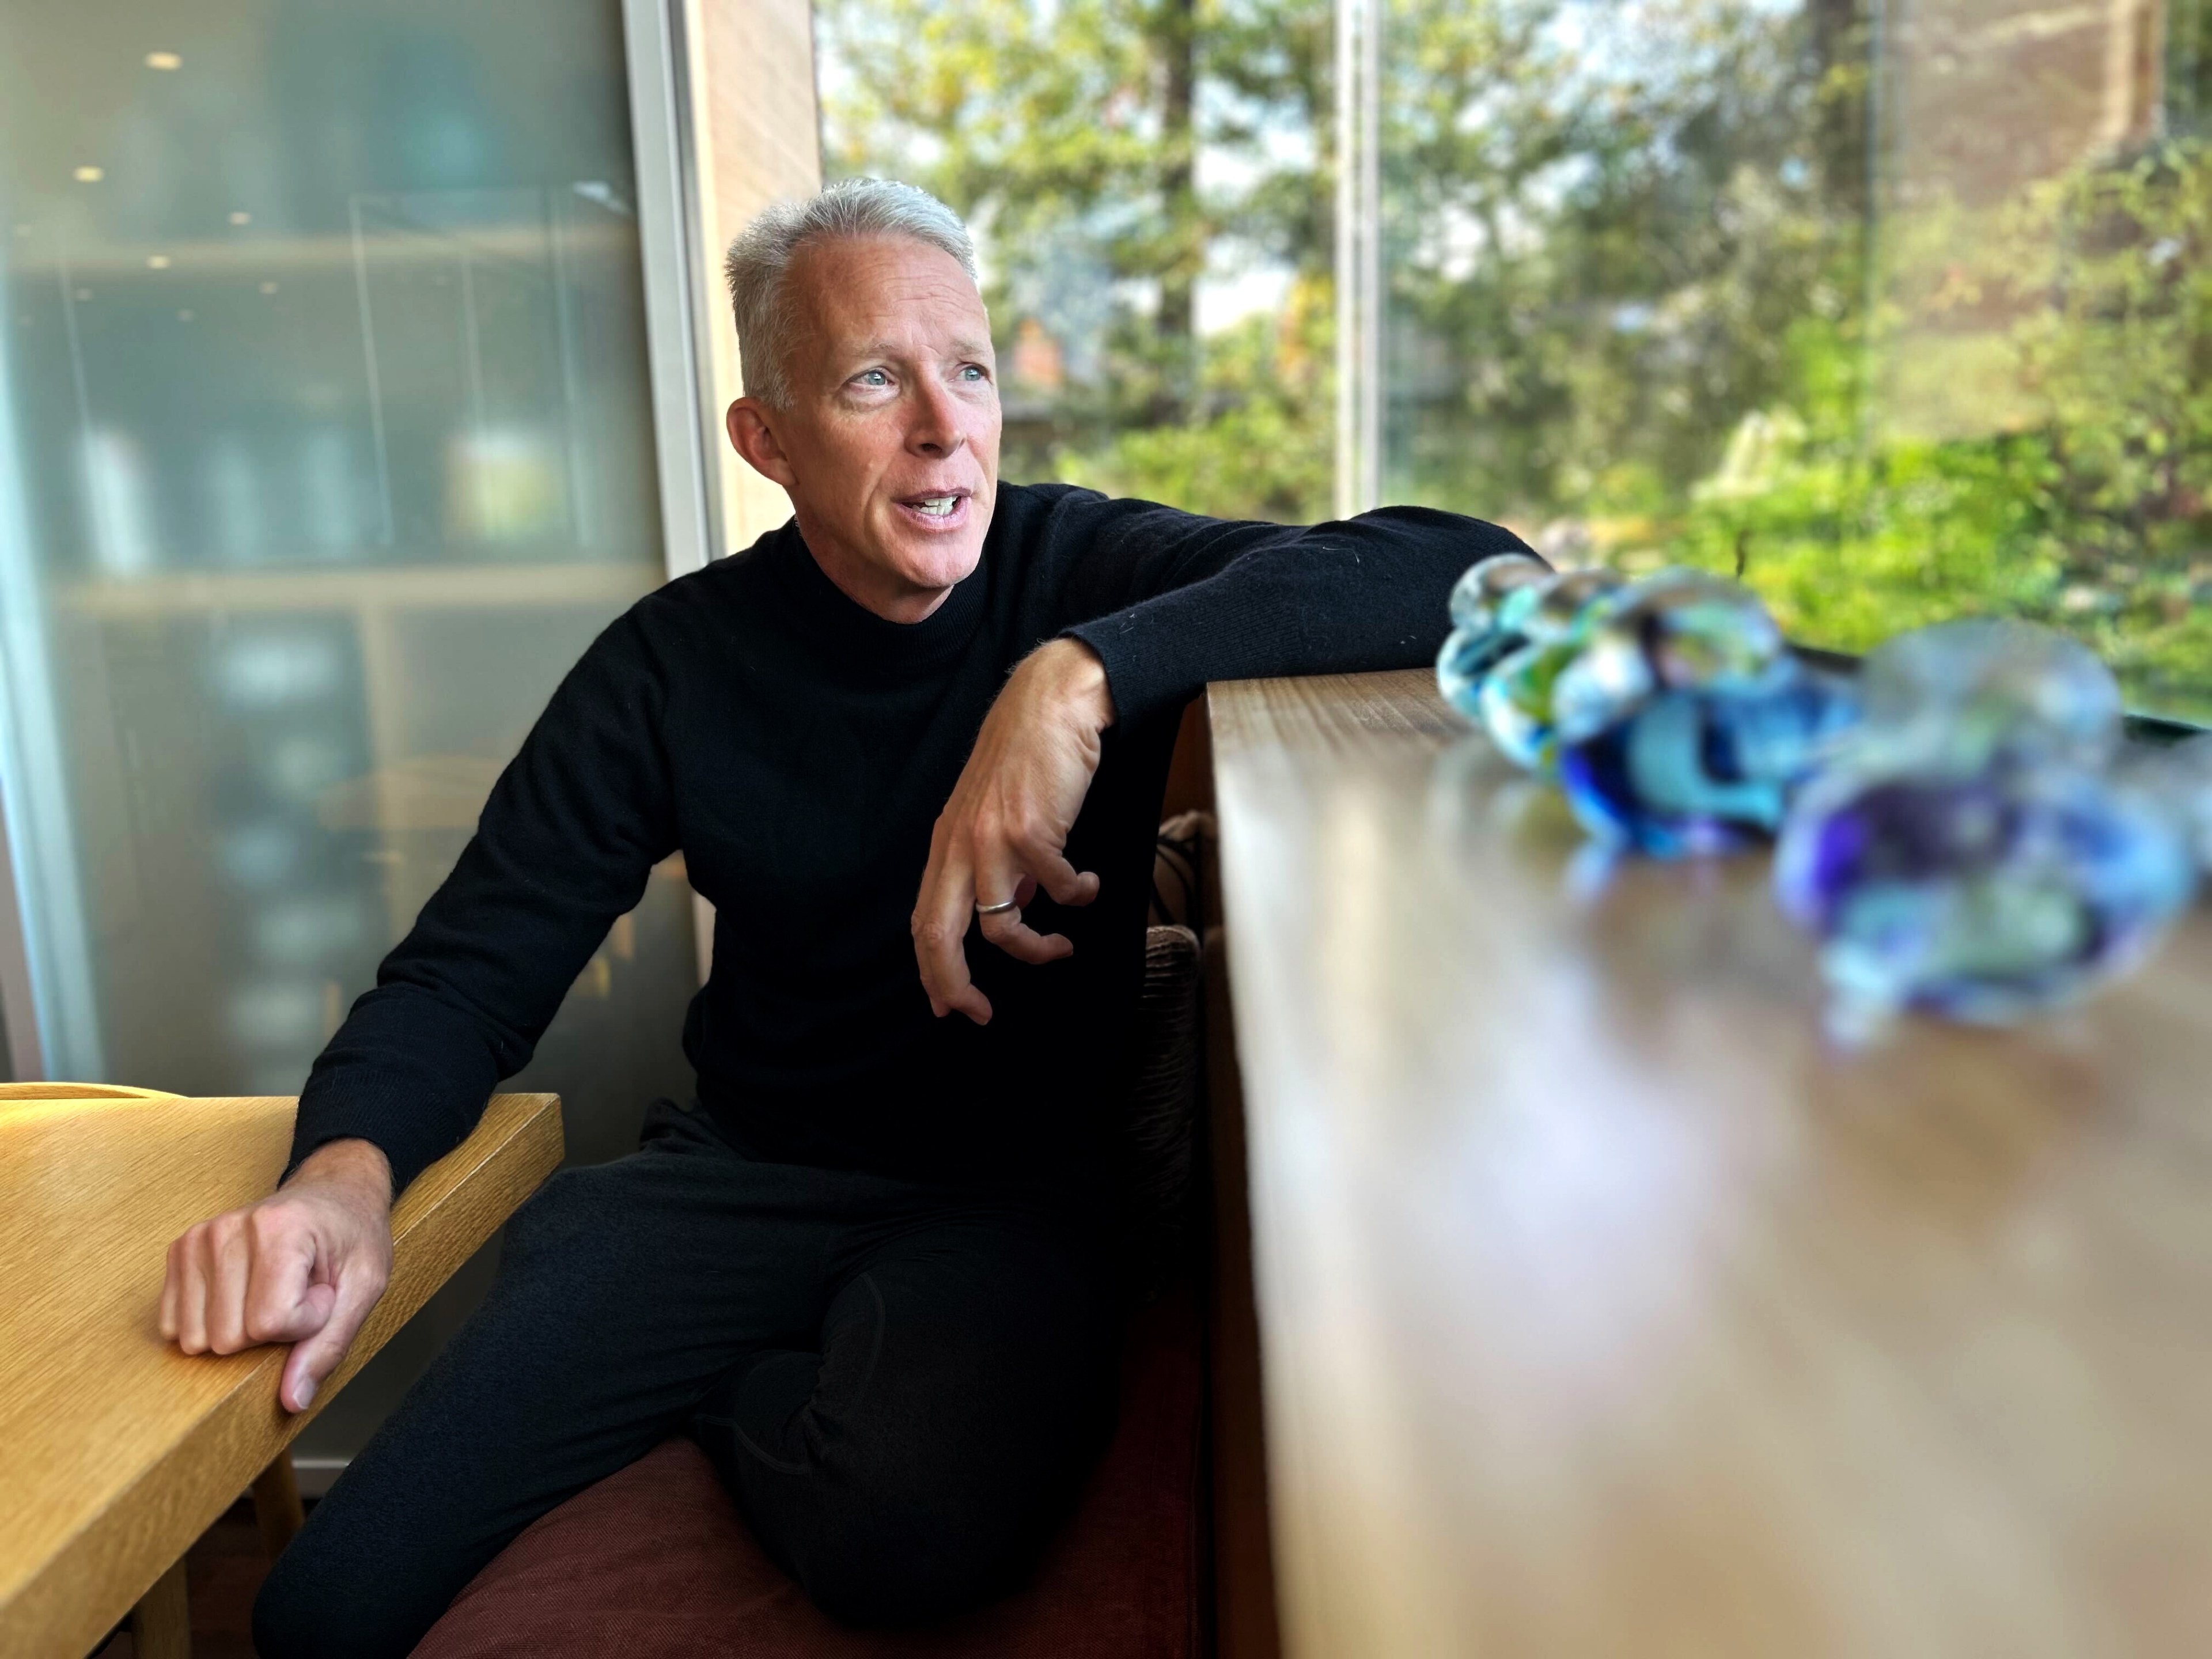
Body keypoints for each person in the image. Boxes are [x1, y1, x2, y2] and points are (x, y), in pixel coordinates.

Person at [156, 179, 1533, 1657]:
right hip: (737, 1174)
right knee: (324, 1611)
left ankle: (747, 1392)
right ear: (770, 439)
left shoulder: (1087, 574)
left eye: (973, 371)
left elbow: (1466, 565)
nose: (947, 430)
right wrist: (338, 1186)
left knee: (905, 1529)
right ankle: (720, 1359)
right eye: (877, 381)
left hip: (1012, 1197)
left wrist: (1072, 678)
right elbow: (466, 974)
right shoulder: (666, 669)